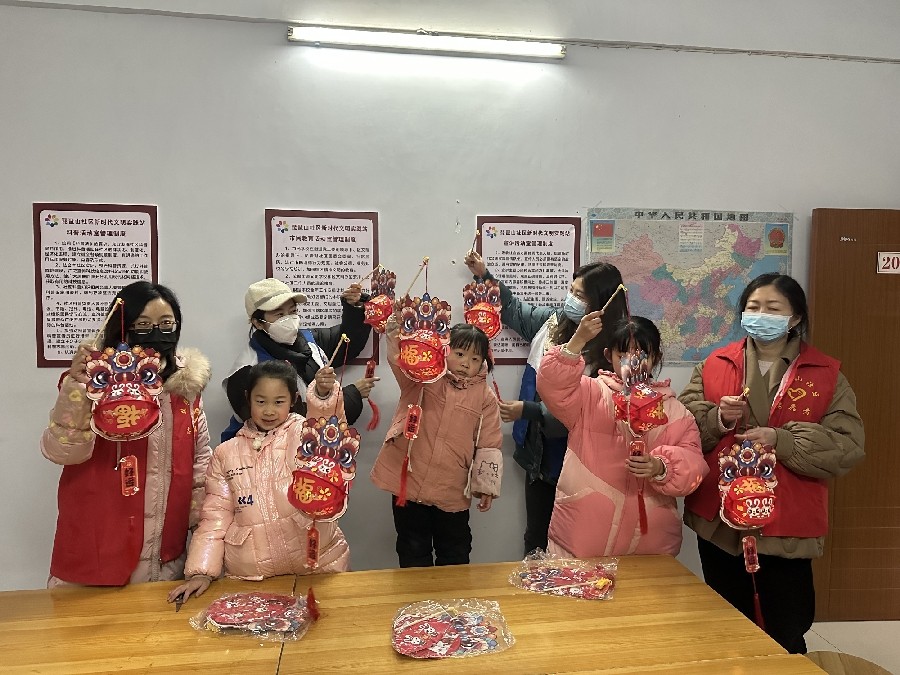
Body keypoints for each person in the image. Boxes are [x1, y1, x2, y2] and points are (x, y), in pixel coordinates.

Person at [679, 273, 865, 654]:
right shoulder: (715, 364)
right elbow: (681, 427)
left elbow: (848, 445)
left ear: (794, 318)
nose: (761, 315)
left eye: (773, 308)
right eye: (753, 307)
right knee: (726, 621)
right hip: (721, 520)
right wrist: (719, 419)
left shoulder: (825, 374)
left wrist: (784, 441)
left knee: (784, 625)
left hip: (785, 523)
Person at [41, 281, 212, 586]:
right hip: (98, 549)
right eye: (143, 325)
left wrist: (204, 537)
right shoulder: (95, 381)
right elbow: (61, 451)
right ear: (123, 327)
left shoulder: (185, 387)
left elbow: (200, 464)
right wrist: (78, 386)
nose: (156, 332)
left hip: (166, 553)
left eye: (166, 323)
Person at [464, 250, 628, 555]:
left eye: (581, 296)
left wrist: (528, 410)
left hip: (582, 459)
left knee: (575, 540)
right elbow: (513, 309)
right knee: (537, 536)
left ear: (602, 303)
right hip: (538, 454)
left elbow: (589, 411)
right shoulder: (553, 323)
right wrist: (484, 275)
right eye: (571, 290)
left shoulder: (612, 352)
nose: (572, 300)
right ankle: (535, 584)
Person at [167, 360, 351, 605]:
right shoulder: (225, 453)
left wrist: (322, 396)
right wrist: (201, 571)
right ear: (248, 398)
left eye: (279, 402)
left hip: (317, 569)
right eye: (261, 401)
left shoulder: (302, 435)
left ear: (294, 400)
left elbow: (325, 431)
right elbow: (215, 517)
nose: (269, 411)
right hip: (251, 577)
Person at [537, 315, 706, 557]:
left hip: (650, 543)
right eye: (623, 354)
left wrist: (662, 466)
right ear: (609, 356)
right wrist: (577, 341)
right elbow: (553, 385)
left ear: (656, 357)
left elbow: (695, 465)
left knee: (648, 583)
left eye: (643, 354)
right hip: (583, 537)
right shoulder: (589, 394)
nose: (633, 362)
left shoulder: (676, 413)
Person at [370, 320, 503, 568]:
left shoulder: (485, 397)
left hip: (452, 490)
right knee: (412, 549)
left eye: (475, 359)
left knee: (455, 552)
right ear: (444, 350)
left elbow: (489, 444)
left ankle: (451, 594)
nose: (466, 363)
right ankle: (415, 593)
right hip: (409, 484)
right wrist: (394, 334)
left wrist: (486, 486)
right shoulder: (422, 378)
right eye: (460, 354)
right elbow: (400, 361)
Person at [221, 277, 378, 442]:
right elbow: (288, 424)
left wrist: (353, 307)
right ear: (258, 323)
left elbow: (345, 343)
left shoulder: (309, 339)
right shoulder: (247, 370)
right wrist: (352, 395)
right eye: (279, 314)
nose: (288, 319)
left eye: (292, 311)